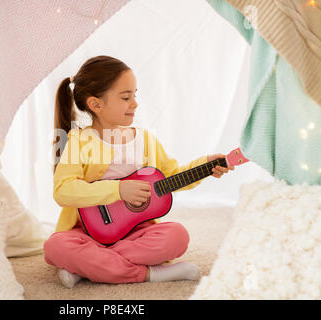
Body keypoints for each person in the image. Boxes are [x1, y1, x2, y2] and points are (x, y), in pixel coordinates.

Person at [45, 55, 234, 288]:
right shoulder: (78, 141)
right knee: (56, 246)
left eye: (135, 95)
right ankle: (152, 274)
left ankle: (88, 267)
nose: (135, 103)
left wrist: (204, 166)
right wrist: (118, 189)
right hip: (86, 232)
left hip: (137, 232)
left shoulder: (146, 140)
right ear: (96, 104)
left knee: (177, 236)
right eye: (126, 97)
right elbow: (63, 191)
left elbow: (172, 174)